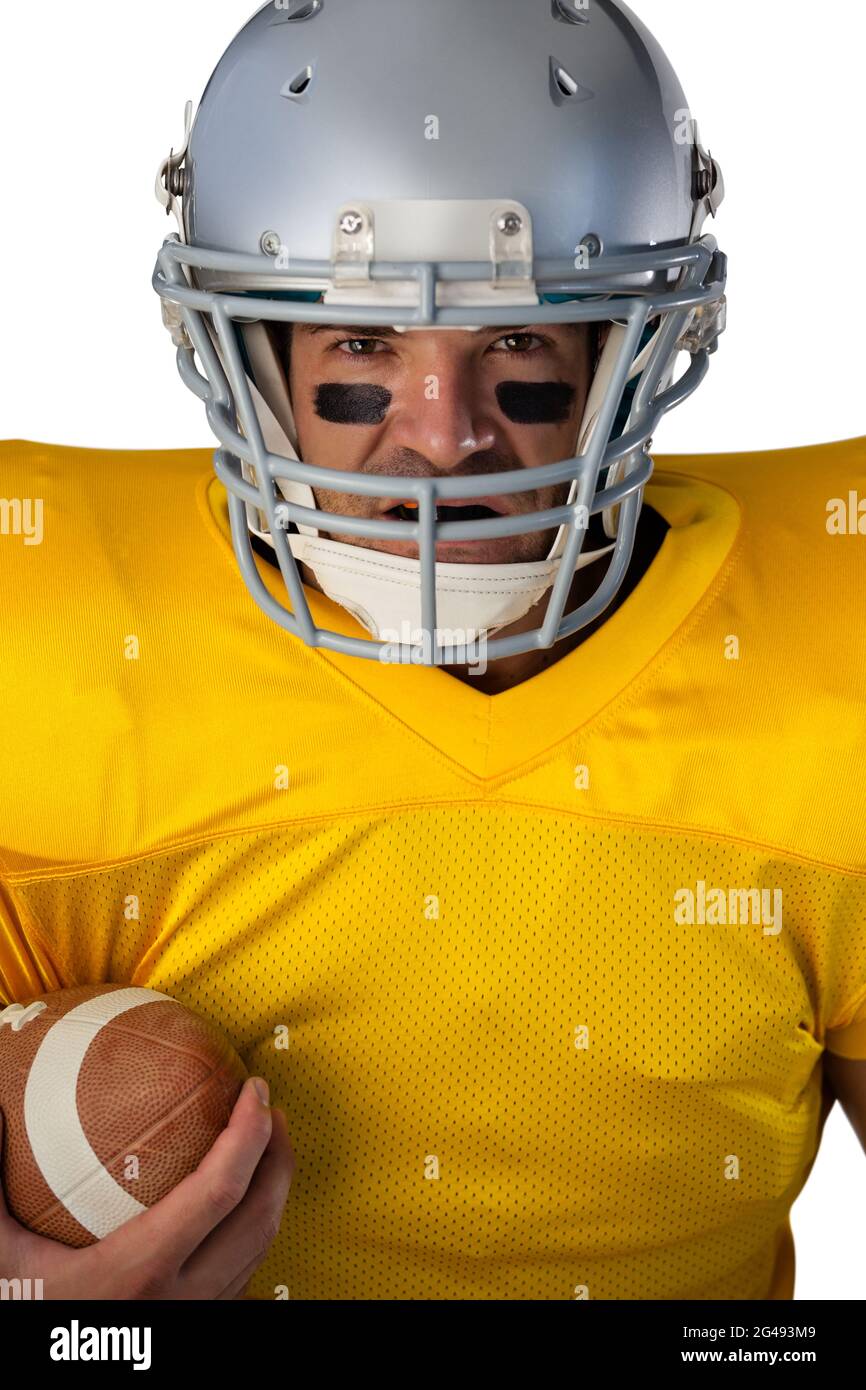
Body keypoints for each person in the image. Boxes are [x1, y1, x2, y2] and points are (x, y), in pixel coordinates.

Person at [1, 0, 864, 1301]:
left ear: (635, 347)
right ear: (242, 353)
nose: (440, 436)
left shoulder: (827, 629)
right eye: (360, 344)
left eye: (517, 341)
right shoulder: (40, 620)